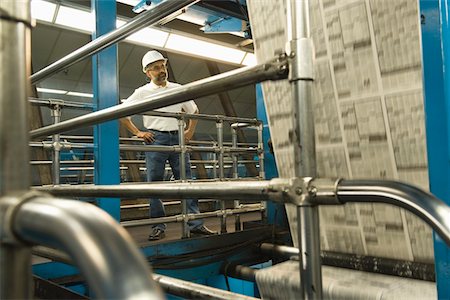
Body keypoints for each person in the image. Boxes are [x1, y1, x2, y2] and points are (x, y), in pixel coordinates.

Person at [121, 50, 217, 240]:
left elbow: (194, 109)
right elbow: (123, 113)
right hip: (155, 140)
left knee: (187, 182)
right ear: (147, 72)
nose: (161, 70)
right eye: (156, 68)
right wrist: (138, 132)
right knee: (154, 186)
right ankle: (158, 227)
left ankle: (195, 224)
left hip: (177, 137)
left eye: (163, 66)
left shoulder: (177, 88)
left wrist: (189, 131)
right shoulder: (141, 92)